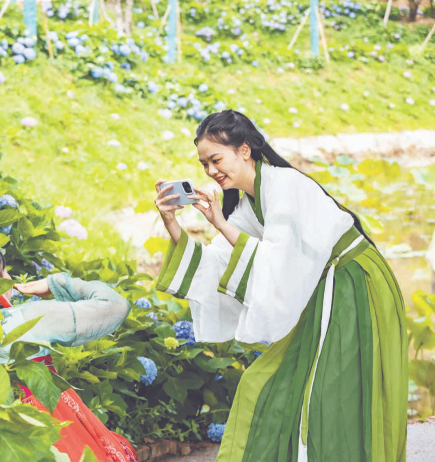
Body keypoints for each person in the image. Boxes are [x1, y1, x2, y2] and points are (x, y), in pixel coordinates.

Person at [153, 110, 406, 462]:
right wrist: (171, 220)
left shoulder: (284, 185)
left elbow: (277, 260)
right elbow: (216, 265)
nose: (211, 171)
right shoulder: (246, 205)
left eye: (216, 159)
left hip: (353, 284)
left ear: (244, 150)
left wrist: (221, 223)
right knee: (267, 384)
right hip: (324, 291)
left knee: (332, 394)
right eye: (204, 164)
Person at [0, 235, 139, 462]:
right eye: (4, 273)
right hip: (52, 430)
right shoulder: (29, 320)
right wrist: (56, 284)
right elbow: (116, 306)